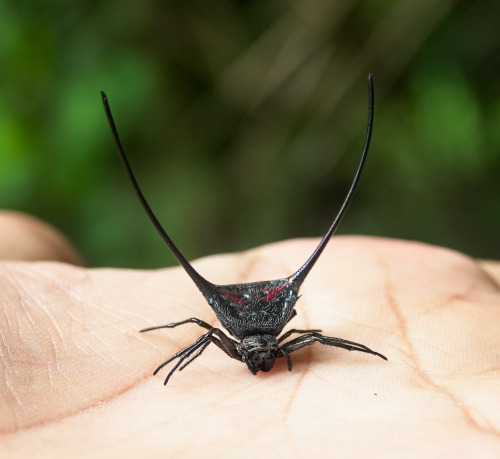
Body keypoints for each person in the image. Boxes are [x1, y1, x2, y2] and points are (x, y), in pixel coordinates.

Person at [1, 211, 499, 457]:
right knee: (200, 326)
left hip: (253, 313)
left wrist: (353, 348)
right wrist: (172, 357)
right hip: (248, 315)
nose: (262, 362)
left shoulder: (282, 340)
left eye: (265, 356)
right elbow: (200, 333)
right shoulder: (240, 341)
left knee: (310, 337)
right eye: (258, 357)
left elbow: (318, 337)